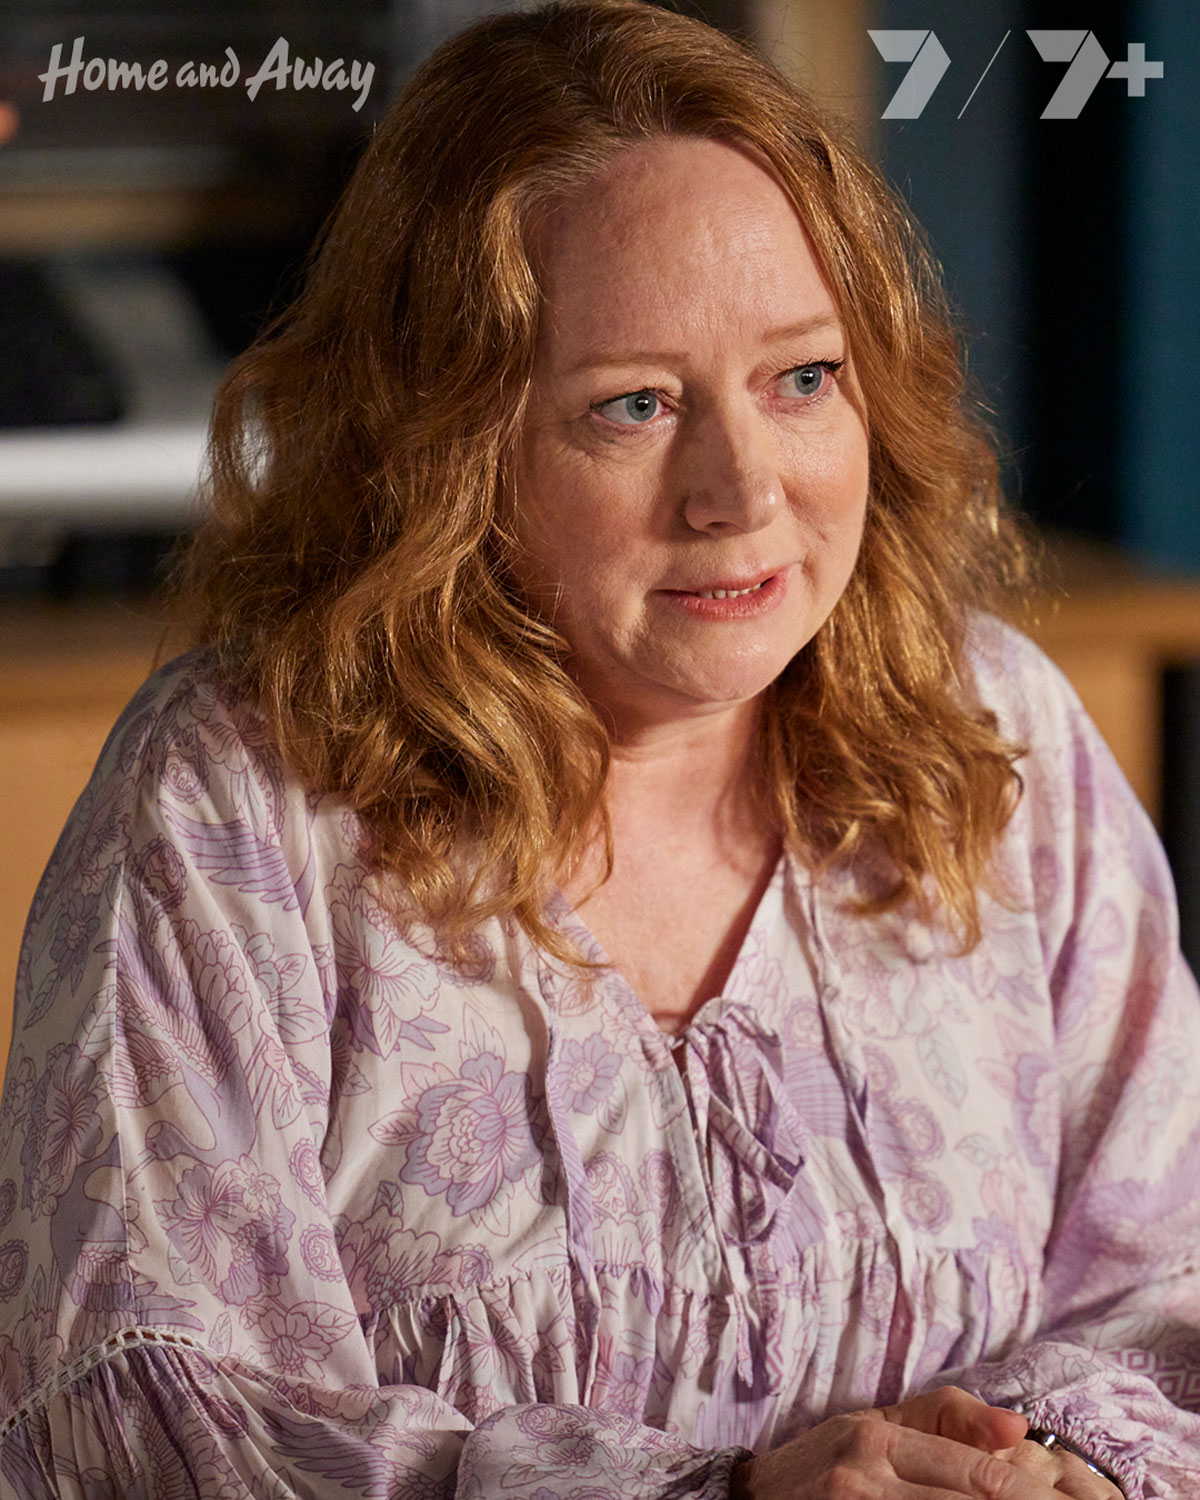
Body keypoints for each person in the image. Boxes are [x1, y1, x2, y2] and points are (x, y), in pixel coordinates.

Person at [1, 3, 1198, 1496]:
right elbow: (151, 1421)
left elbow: (1170, 1296)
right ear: (444, 447)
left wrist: (1057, 1465)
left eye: (803, 378)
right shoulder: (232, 803)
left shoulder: (998, 736)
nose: (741, 491)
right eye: (634, 405)